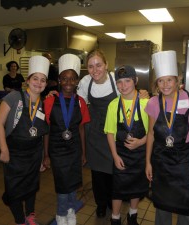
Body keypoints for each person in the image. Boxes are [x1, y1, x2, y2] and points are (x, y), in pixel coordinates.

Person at [77, 49, 149, 218]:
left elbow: (129, 96)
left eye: (99, 65)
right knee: (97, 173)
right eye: (91, 66)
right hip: (94, 133)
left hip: (114, 132)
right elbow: (76, 102)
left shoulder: (115, 80)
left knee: (113, 170)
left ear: (106, 65)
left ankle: (113, 201)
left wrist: (143, 93)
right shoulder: (85, 82)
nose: (95, 70)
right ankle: (101, 204)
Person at [145, 50, 189, 225]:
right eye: (160, 80)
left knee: (185, 203)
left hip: (183, 159)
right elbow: (151, 133)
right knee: (162, 204)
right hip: (161, 159)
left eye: (169, 79)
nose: (165, 84)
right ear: (156, 83)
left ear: (177, 79)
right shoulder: (153, 103)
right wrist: (148, 162)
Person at [0, 55, 50, 225]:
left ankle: (30, 216)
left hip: (34, 153)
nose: (38, 83)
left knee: (31, 187)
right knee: (14, 189)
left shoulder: (44, 103)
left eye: (42, 80)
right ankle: (20, 220)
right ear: (27, 80)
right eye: (35, 78)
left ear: (46, 84)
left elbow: (41, 134)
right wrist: (3, 149)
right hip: (14, 152)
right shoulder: (14, 97)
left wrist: (41, 158)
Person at [43, 53, 90, 225]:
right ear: (59, 80)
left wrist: (83, 153)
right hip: (57, 149)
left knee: (74, 181)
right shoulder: (49, 101)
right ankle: (61, 214)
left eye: (72, 79)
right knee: (62, 183)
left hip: (75, 148)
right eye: (64, 79)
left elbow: (81, 129)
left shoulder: (80, 103)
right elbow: (46, 130)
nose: (68, 83)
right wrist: (46, 155)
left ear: (77, 81)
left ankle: (71, 210)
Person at [104, 65, 149, 225]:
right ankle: (115, 217)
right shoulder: (113, 105)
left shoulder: (146, 103)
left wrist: (140, 142)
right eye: (119, 82)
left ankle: (132, 215)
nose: (123, 86)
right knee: (118, 188)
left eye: (127, 81)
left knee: (136, 185)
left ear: (136, 81)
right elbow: (110, 133)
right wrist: (115, 156)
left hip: (140, 153)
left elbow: (152, 132)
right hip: (121, 154)